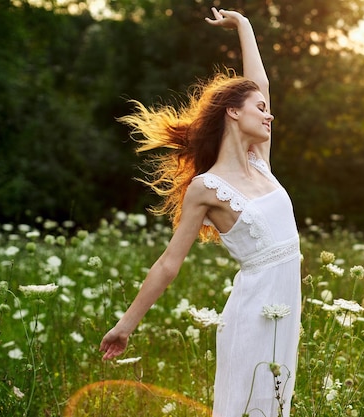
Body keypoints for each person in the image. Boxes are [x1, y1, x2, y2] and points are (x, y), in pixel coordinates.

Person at [99, 7, 301, 417]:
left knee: (277, 408)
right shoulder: (206, 188)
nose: (269, 114)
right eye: (259, 108)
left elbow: (258, 82)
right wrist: (126, 325)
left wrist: (243, 25)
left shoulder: (260, 158)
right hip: (252, 314)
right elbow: (168, 265)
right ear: (233, 111)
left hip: (285, 310)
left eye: (267, 108)